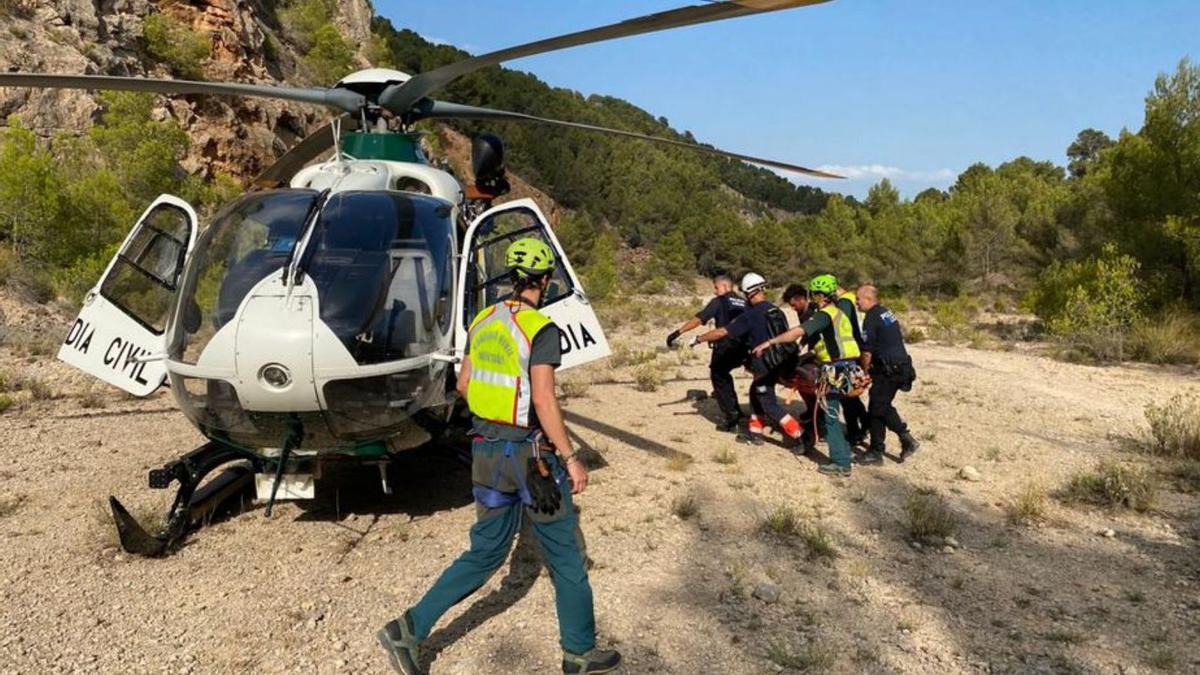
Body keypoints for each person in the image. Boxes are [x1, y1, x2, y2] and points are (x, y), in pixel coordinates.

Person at [377, 238, 620, 675]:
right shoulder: (541, 329)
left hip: (485, 454)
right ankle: (580, 653)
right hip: (531, 459)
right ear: (544, 281)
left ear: (511, 278)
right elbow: (544, 400)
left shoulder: (483, 320)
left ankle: (407, 629)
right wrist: (570, 456)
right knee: (566, 557)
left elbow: (466, 385)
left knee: (485, 553)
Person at [752, 274, 863, 477]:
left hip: (835, 369)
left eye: (814, 295)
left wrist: (770, 342)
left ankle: (841, 462)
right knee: (832, 412)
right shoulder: (839, 312)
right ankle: (844, 451)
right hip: (849, 367)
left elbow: (799, 332)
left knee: (829, 416)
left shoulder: (824, 314)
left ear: (819, 295)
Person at [695, 273, 801, 446]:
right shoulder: (776, 310)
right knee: (754, 393)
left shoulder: (750, 315)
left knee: (768, 402)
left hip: (763, 364)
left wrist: (699, 339)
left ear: (748, 293)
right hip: (779, 362)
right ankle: (755, 432)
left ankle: (799, 434)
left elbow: (723, 332)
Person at [666, 273, 749, 432]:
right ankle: (737, 411)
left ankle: (732, 420)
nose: (715, 291)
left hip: (726, 346)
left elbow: (699, 319)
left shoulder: (719, 301)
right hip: (745, 348)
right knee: (724, 376)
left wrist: (678, 332)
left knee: (718, 375)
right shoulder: (744, 302)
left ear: (725, 287)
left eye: (716, 288)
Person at [856, 284, 920, 464]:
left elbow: (867, 352)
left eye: (858, 299)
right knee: (878, 406)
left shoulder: (871, 317)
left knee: (879, 405)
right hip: (900, 366)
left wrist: (864, 371)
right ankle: (876, 450)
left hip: (889, 370)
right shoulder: (885, 312)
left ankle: (905, 439)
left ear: (868, 299)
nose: (856, 303)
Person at [833, 282, 869, 447]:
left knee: (846, 395)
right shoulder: (851, 299)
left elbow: (841, 328)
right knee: (851, 394)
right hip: (859, 349)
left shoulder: (844, 302)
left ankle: (855, 432)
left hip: (852, 352)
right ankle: (865, 424)